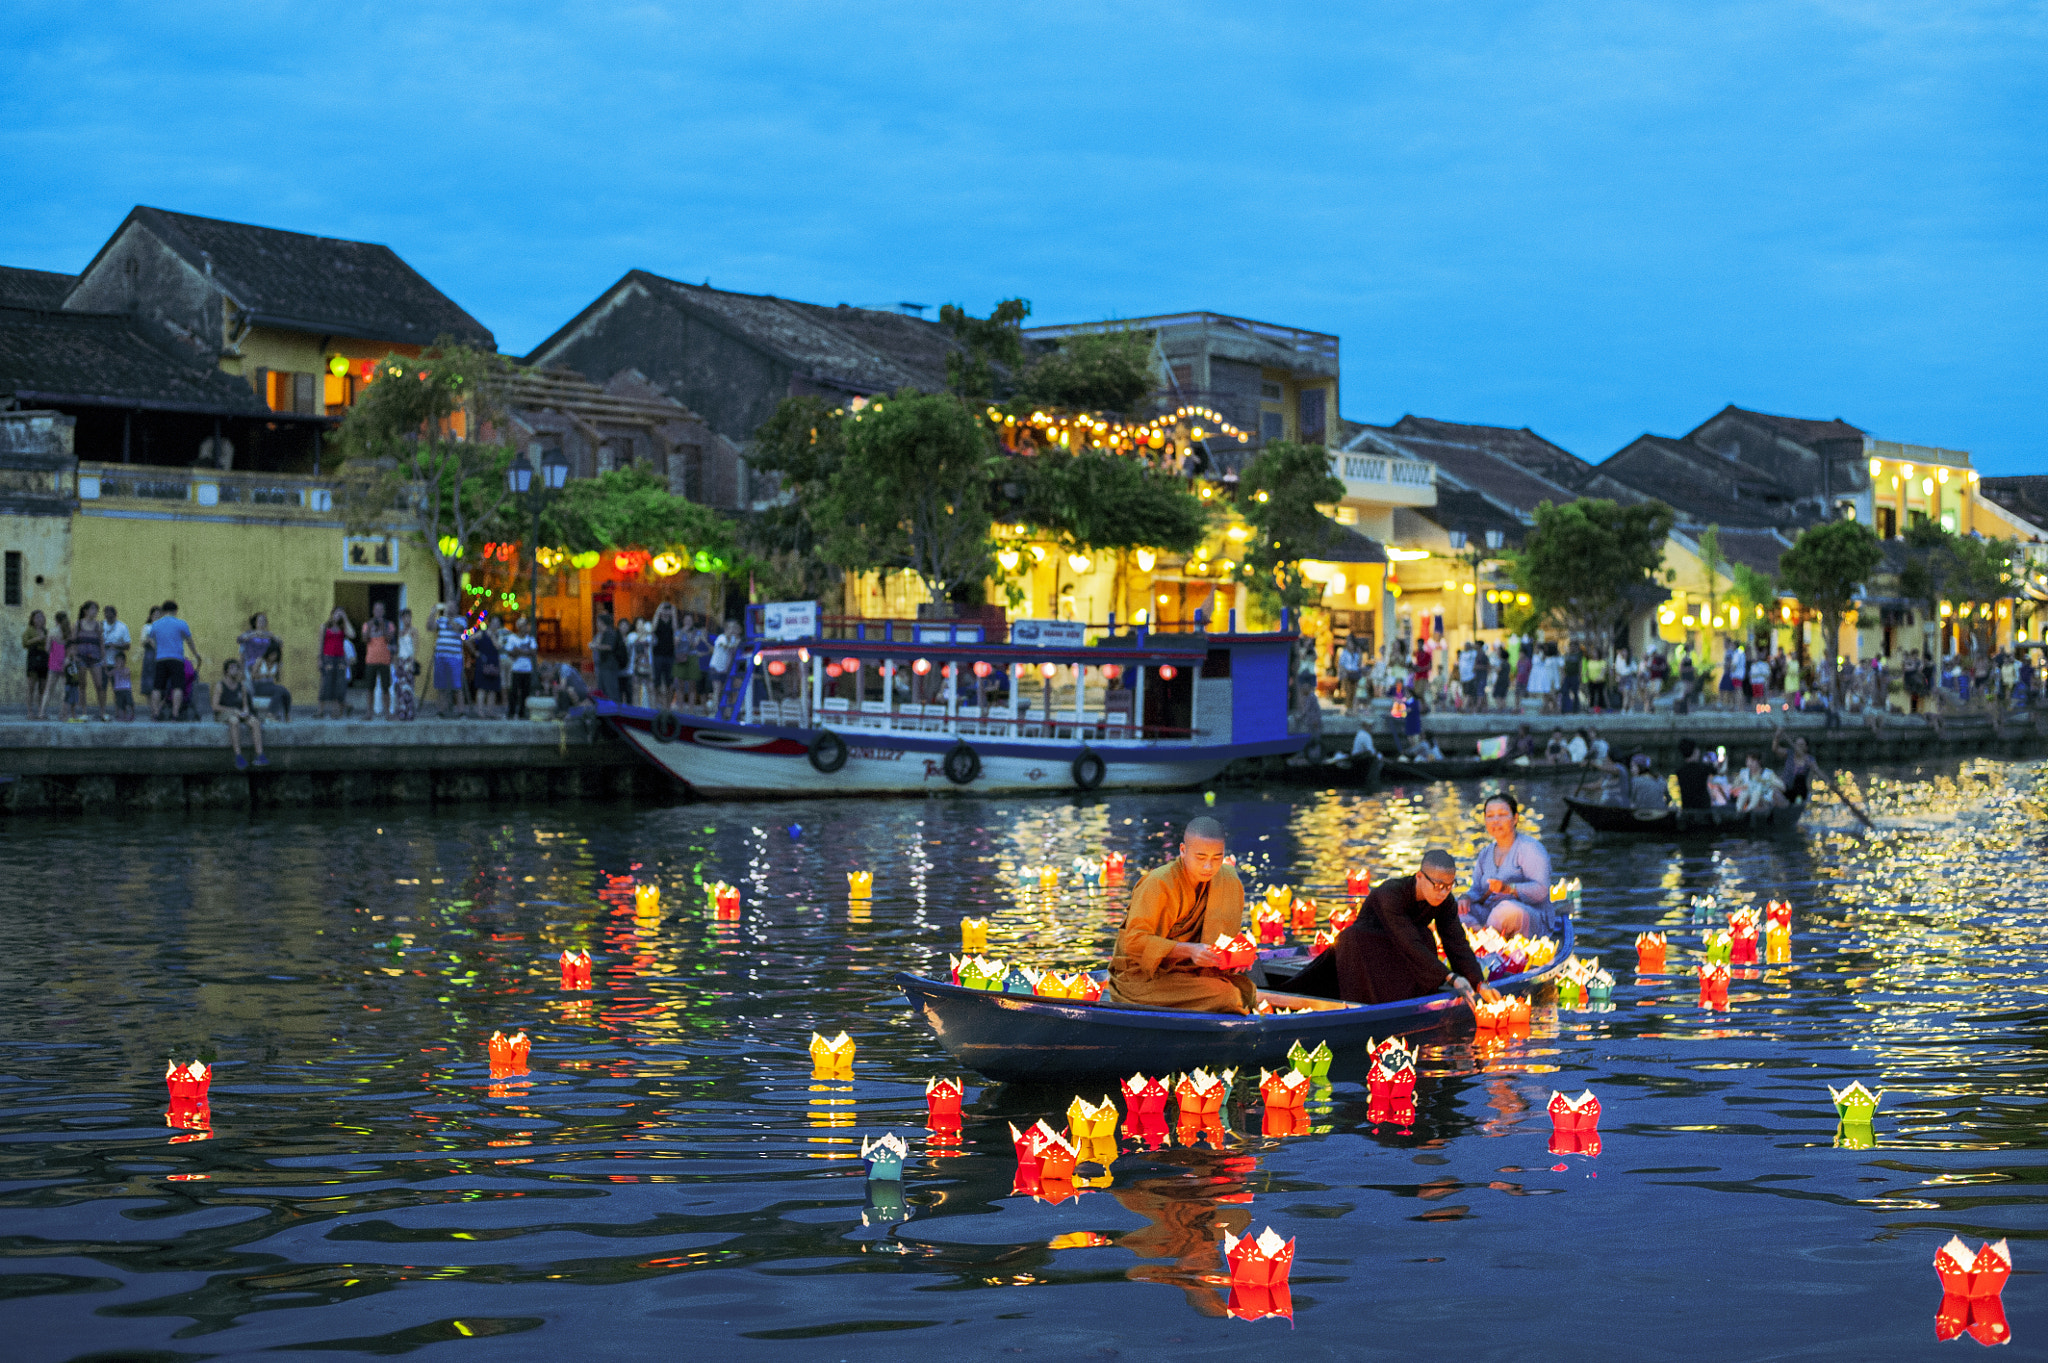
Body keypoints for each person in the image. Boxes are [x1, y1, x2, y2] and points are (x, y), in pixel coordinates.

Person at [1287, 850, 1500, 1006]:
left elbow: (1456, 941)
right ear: (1419, 877)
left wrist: (1479, 983)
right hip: (1365, 949)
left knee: (1425, 935)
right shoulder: (1391, 893)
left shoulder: (1445, 901)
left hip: (1402, 952)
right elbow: (1407, 941)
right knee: (1367, 940)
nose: (1442, 892)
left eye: (1449, 886)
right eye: (1437, 885)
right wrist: (1451, 977)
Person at [1108, 816, 1256, 1015]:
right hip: (1143, 976)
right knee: (1226, 996)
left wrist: (1234, 959)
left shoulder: (1227, 880)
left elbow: (1221, 941)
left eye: (1217, 858)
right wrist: (1190, 951)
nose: (1208, 867)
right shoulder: (1159, 883)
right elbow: (1134, 942)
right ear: (1183, 851)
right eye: (1201, 857)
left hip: (1190, 973)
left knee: (1247, 990)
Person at [1458, 793, 1554, 935]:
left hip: (1529, 918)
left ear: (1515, 818)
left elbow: (1541, 891)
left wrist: (1509, 888)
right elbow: (1476, 890)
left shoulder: (1530, 848)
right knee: (1452, 907)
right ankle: (1482, 936)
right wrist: (1465, 897)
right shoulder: (1485, 853)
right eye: (1490, 816)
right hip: (1490, 914)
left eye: (1502, 814)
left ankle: (1485, 940)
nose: (1495, 820)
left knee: (1507, 911)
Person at [148, 601, 202, 721]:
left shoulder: (156, 624)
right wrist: (196, 654)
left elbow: (150, 638)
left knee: (157, 687)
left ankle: (155, 714)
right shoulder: (181, 624)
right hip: (176, 659)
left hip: (161, 658)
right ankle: (175, 714)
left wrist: (158, 648)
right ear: (175, 611)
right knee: (178, 687)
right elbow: (189, 641)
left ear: (163, 611)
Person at [214, 659, 268, 769]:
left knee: (255, 722)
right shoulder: (220, 685)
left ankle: (260, 755)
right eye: (232, 668)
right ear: (226, 671)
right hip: (225, 713)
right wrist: (233, 711)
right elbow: (215, 706)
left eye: (236, 668)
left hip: (239, 713)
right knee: (234, 721)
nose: (235, 670)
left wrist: (246, 712)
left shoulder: (241, 686)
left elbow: (245, 705)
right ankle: (238, 756)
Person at [317, 607, 355, 720]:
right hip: (327, 658)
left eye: (340, 614)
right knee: (325, 684)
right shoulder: (324, 627)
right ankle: (320, 711)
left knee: (339, 685)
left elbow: (352, 635)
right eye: (336, 614)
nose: (338, 616)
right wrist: (319, 659)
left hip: (340, 659)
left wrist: (345, 618)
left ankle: (336, 711)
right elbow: (321, 643)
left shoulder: (343, 627)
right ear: (332, 614)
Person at [72, 601, 107, 720]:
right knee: (82, 685)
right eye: (92, 609)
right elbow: (73, 641)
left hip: (95, 658)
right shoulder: (78, 624)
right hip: (81, 657)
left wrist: (104, 658)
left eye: (96, 610)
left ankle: (102, 712)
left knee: (99, 685)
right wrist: (74, 655)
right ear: (86, 611)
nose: (95, 612)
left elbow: (101, 642)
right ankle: (84, 712)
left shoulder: (98, 625)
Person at [430, 603, 466, 717]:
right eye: (448, 606)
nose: (449, 608)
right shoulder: (441, 620)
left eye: (452, 606)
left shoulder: (461, 620)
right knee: (441, 686)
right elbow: (429, 627)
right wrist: (432, 613)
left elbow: (458, 630)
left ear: (456, 608)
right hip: (440, 657)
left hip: (455, 658)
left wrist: (449, 618)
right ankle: (441, 711)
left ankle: (461, 712)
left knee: (457, 686)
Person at [361, 602, 396, 718]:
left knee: (386, 688)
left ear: (384, 612)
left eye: (381, 610)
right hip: (371, 660)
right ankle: (369, 713)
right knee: (370, 688)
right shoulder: (367, 624)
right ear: (373, 611)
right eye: (376, 610)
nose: (378, 612)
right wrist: (371, 627)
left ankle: (387, 713)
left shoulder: (389, 624)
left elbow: (390, 639)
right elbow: (364, 639)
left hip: (385, 660)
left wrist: (382, 627)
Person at [471, 615, 504, 716]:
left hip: (494, 662)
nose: (495, 624)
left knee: (493, 688)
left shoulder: (499, 635)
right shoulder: (482, 633)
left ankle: (490, 711)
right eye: (493, 622)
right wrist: (475, 652)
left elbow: (498, 646)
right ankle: (480, 711)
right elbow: (468, 640)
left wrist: (493, 636)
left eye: (497, 622)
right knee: (482, 687)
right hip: (483, 662)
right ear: (489, 622)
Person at [505, 615, 538, 718]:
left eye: (526, 625)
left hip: (527, 669)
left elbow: (533, 652)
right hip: (516, 669)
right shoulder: (512, 638)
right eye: (523, 626)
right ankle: (511, 712)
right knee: (514, 691)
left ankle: (522, 713)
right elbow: (510, 652)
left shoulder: (530, 639)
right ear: (519, 627)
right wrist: (525, 651)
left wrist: (519, 651)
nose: (525, 628)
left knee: (525, 692)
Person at [1772, 729, 1817, 803]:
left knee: (1799, 779)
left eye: (1801, 745)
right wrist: (1777, 736)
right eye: (1797, 745)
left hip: (1799, 790)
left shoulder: (1810, 760)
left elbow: (1811, 777)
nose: (1799, 747)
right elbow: (1775, 749)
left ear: (1806, 747)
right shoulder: (1790, 754)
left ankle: (1798, 803)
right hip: (1785, 787)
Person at [251, 639, 291, 721]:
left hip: (270, 686)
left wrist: (279, 670)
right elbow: (253, 676)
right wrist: (264, 675)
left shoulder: (277, 663)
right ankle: (271, 713)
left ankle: (287, 715)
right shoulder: (260, 661)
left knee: (285, 692)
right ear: (268, 653)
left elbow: (278, 679)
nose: (273, 657)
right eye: (272, 654)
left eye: (275, 655)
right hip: (259, 686)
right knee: (279, 691)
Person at [707, 617, 741, 713]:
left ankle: (723, 711)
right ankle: (715, 711)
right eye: (731, 628)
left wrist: (737, 642)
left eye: (734, 628)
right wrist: (736, 644)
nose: (732, 630)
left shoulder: (734, 639)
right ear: (726, 629)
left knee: (723, 690)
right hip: (716, 667)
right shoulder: (721, 638)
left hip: (724, 669)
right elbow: (726, 646)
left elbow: (734, 651)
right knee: (717, 690)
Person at [41, 609, 70, 720]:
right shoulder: (68, 632)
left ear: (56, 620)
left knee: (48, 689)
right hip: (65, 663)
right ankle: (62, 714)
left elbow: (47, 649)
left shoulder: (52, 632)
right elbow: (71, 649)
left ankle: (42, 712)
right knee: (64, 690)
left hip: (53, 663)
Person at [21, 609, 50, 717]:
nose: (40, 619)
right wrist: (38, 639)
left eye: (42, 617)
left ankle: (40, 711)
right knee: (31, 686)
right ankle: (30, 711)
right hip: (33, 657)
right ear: (32, 619)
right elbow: (25, 643)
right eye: (37, 617)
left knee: (42, 687)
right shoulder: (29, 631)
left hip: (44, 658)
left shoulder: (46, 631)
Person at [651, 602, 678, 709]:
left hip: (670, 655)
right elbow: (653, 629)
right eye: (665, 609)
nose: (666, 611)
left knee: (669, 683)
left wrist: (674, 613)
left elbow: (675, 630)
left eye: (668, 609)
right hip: (658, 655)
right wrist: (658, 610)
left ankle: (667, 705)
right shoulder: (658, 621)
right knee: (657, 681)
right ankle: (658, 702)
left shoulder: (672, 622)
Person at [592, 610, 624, 702]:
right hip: (603, 666)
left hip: (609, 666)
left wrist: (595, 646)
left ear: (602, 623)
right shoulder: (602, 634)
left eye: (598, 622)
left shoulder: (610, 633)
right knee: (603, 690)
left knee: (610, 690)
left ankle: (614, 710)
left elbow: (609, 647)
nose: (597, 624)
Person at [1674, 737, 1714, 811]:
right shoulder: (1703, 768)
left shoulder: (1680, 771)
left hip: (1687, 810)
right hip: (1703, 812)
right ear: (1694, 751)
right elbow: (1720, 771)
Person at [393, 608, 418, 722]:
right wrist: (395, 662)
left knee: (408, 687)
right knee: (400, 688)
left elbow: (415, 647)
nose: (407, 619)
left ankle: (409, 712)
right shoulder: (400, 632)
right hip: (401, 660)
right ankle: (401, 712)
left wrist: (412, 661)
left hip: (409, 660)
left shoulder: (413, 631)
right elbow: (397, 649)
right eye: (404, 617)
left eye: (408, 617)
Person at [110, 648, 135, 721]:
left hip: (126, 689)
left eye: (121, 661)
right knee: (121, 704)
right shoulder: (114, 670)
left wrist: (119, 669)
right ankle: (123, 716)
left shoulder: (126, 669)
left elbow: (126, 675)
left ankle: (132, 713)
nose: (119, 663)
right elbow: (109, 674)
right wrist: (105, 666)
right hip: (118, 689)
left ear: (124, 661)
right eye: (117, 661)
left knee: (129, 702)